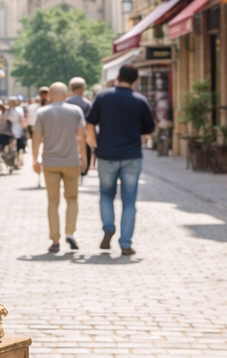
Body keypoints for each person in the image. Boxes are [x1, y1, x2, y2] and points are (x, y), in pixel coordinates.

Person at [85, 64, 155, 256]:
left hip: (107, 154)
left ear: (117, 76)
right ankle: (125, 242)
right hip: (131, 155)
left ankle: (108, 226)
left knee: (106, 194)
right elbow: (149, 128)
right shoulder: (140, 100)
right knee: (129, 201)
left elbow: (90, 122)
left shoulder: (103, 96)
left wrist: (94, 145)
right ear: (136, 80)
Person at [32, 83, 87, 253]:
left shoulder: (42, 112)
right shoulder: (76, 111)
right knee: (72, 199)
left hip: (50, 163)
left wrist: (35, 159)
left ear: (49, 96)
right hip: (71, 161)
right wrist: (83, 157)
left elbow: (36, 137)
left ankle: (55, 240)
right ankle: (70, 232)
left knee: (53, 201)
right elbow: (82, 135)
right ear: (65, 95)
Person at [66, 77, 93, 176]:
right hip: (84, 136)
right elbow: (90, 123)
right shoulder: (87, 103)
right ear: (83, 88)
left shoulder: (65, 102)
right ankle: (83, 171)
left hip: (67, 137)